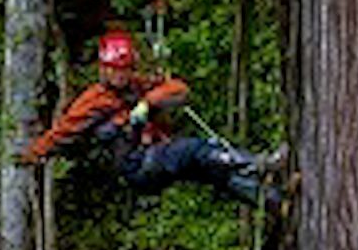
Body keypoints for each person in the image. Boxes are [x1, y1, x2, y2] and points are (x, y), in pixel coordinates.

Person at [18, 26, 284, 207]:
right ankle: (259, 164)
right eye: (114, 70)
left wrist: (148, 101)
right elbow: (63, 132)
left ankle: (274, 200)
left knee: (211, 169)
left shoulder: (137, 86)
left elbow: (180, 90)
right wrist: (32, 154)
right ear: (104, 70)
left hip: (157, 154)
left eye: (125, 69)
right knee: (194, 149)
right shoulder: (93, 101)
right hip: (138, 164)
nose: (120, 75)